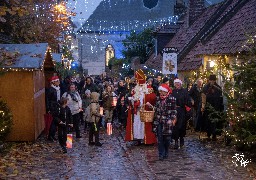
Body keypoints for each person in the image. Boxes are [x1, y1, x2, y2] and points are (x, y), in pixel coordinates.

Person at [153, 84, 177, 160]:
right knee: (160, 139)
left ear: (165, 91)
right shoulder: (158, 99)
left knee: (167, 138)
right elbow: (156, 109)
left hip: (167, 121)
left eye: (162, 91)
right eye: (160, 91)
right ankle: (161, 154)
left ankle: (166, 151)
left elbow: (174, 110)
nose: (161, 93)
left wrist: (172, 119)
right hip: (159, 121)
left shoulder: (171, 99)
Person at [125, 69, 147, 145]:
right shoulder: (136, 88)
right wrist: (132, 100)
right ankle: (137, 139)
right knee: (137, 124)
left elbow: (144, 99)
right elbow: (134, 97)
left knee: (142, 125)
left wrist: (137, 103)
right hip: (136, 111)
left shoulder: (145, 89)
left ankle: (142, 139)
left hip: (143, 110)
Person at [201, 75, 223, 141]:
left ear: (215, 80)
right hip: (208, 108)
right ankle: (208, 134)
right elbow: (203, 97)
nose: (212, 82)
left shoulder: (218, 88)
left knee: (215, 122)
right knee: (208, 121)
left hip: (216, 107)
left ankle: (214, 135)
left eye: (213, 80)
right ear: (209, 80)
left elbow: (219, 98)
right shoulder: (205, 87)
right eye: (211, 80)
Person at [172, 79, 191, 149]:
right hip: (174, 111)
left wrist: (186, 108)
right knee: (175, 126)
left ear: (180, 84)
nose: (177, 85)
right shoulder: (173, 92)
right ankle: (176, 141)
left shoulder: (184, 92)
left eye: (178, 83)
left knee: (181, 126)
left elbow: (188, 101)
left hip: (182, 111)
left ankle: (181, 139)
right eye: (176, 83)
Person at [46, 76, 61, 141]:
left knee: (55, 122)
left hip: (57, 106)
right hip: (52, 107)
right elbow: (47, 100)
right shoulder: (50, 89)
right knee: (53, 122)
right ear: (54, 82)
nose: (59, 82)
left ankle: (52, 135)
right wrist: (48, 108)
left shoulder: (58, 89)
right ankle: (50, 136)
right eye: (57, 81)